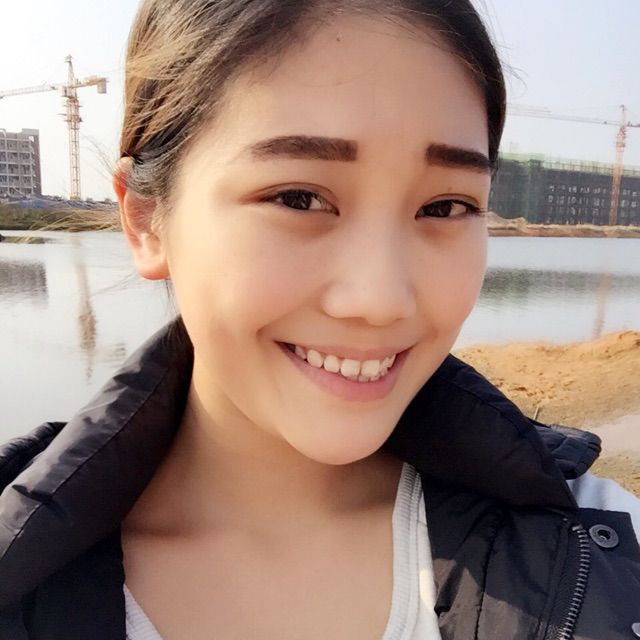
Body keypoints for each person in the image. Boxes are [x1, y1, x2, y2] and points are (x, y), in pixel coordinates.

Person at [0, 1, 639, 638]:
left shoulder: (604, 550)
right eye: (299, 198)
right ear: (145, 220)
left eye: (445, 207)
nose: (380, 300)